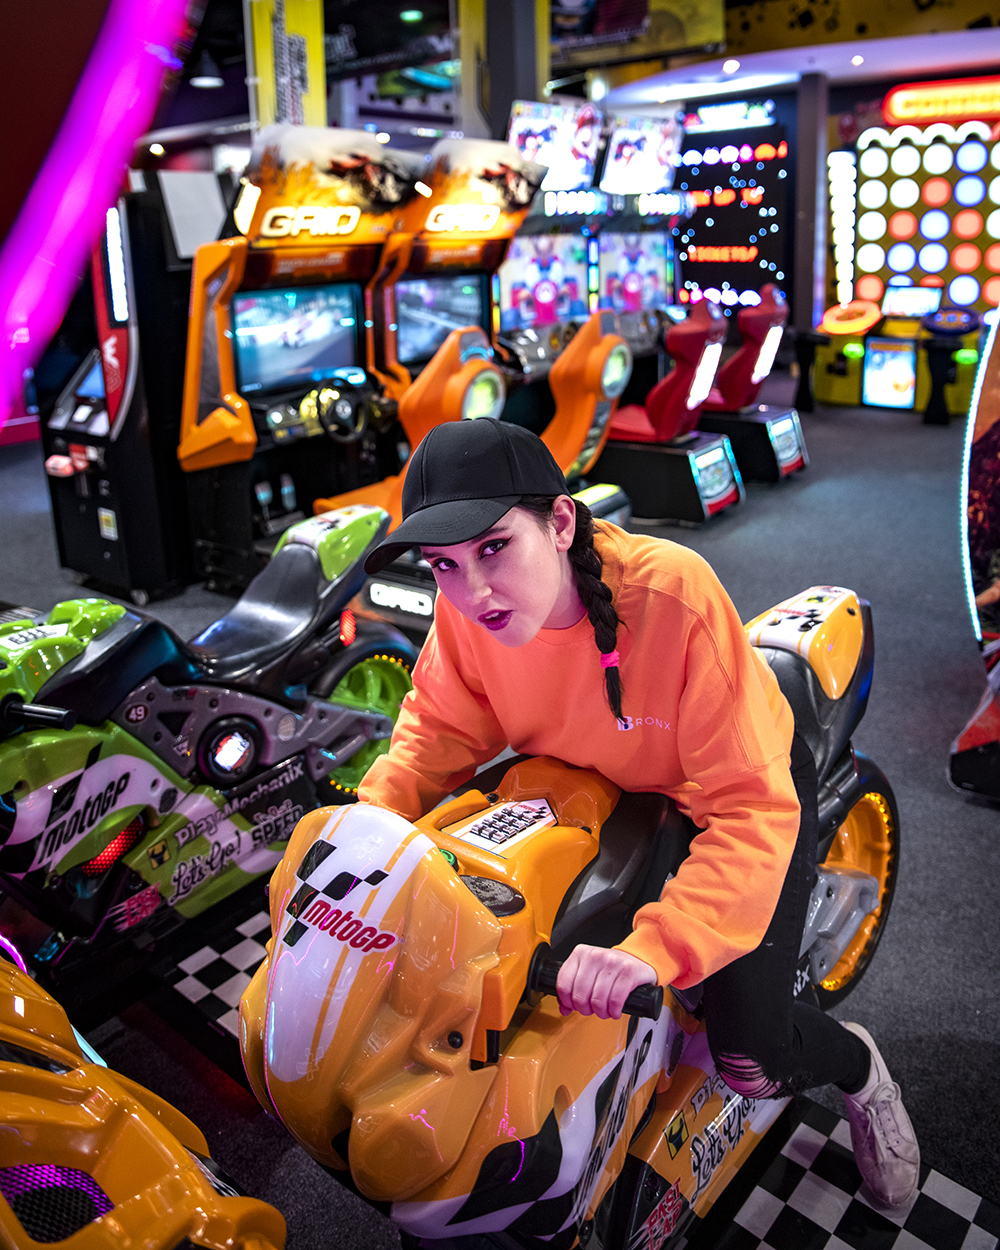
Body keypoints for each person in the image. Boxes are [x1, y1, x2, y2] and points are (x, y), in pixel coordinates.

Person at [358, 419, 920, 1209]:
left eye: (492, 548)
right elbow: (431, 740)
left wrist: (656, 950)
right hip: (600, 784)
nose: (470, 588)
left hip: (734, 786)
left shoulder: (670, 594)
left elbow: (753, 811)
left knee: (748, 1055)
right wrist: (355, 840)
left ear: (558, 523)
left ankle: (861, 1071)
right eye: (443, 564)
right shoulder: (465, 614)